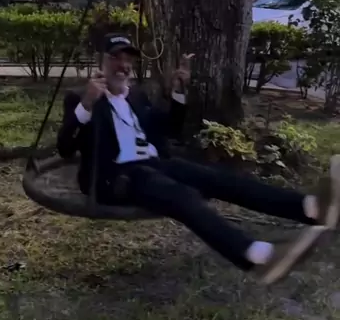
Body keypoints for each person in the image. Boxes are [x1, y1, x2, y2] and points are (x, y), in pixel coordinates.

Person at [57, 33, 340, 285]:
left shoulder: (137, 96)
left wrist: (179, 91)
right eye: (115, 58)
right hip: (114, 177)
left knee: (221, 179)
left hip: (154, 164)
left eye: (127, 59)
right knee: (182, 195)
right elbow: (65, 148)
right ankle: (257, 256)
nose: (123, 65)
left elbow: (168, 128)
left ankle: (309, 207)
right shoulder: (82, 98)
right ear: (101, 62)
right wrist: (87, 105)